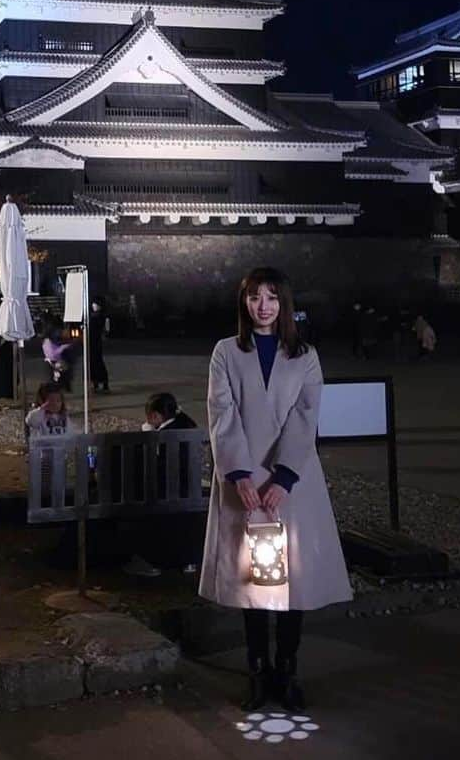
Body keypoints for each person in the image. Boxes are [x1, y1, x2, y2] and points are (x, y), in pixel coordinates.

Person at [200, 266, 351, 714]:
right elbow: (221, 413)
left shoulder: (304, 356)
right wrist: (239, 474)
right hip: (241, 480)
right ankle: (257, 669)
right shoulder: (226, 352)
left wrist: (284, 476)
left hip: (293, 482)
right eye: (253, 297)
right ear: (243, 303)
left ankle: (288, 670)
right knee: (253, 583)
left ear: (283, 303)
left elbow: (306, 417)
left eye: (270, 297)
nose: (261, 306)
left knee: (293, 582)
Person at [122, 392, 199, 578]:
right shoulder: (188, 425)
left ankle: (151, 561)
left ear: (155, 416)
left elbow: (153, 464)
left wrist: (148, 435)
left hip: (165, 491)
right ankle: (188, 562)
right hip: (191, 489)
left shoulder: (161, 435)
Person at [88, 298, 111, 393]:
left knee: (98, 361)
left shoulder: (101, 317)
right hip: (91, 341)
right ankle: (95, 382)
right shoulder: (91, 316)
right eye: (93, 304)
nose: (93, 306)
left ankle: (104, 382)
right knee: (92, 362)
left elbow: (105, 329)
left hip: (96, 341)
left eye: (95, 304)